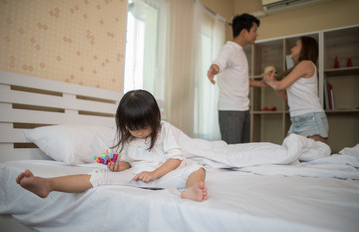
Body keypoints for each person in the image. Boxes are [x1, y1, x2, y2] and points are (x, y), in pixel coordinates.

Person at [16, 90, 208, 202]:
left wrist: (155, 174)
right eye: (133, 128)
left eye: (144, 127)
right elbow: (127, 161)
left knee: (197, 168)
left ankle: (190, 191)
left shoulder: (163, 130)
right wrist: (119, 166)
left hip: (163, 175)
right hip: (136, 176)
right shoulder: (126, 137)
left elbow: (176, 158)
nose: (139, 132)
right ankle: (48, 184)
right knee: (98, 176)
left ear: (154, 118)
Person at [207, 13, 266, 144]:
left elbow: (241, 80)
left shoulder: (240, 52)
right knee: (232, 154)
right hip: (230, 110)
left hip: (243, 108)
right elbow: (220, 61)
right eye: (255, 30)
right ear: (244, 32)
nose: (257, 34)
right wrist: (215, 67)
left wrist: (262, 83)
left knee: (242, 152)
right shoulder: (229, 49)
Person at [263, 36, 328, 143]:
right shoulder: (298, 68)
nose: (291, 49)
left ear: (305, 48)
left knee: (314, 158)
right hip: (296, 120)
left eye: (295, 45)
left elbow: (281, 85)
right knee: (290, 156)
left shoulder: (306, 64)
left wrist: (270, 81)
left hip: (311, 119)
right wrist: (273, 82)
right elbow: (285, 96)